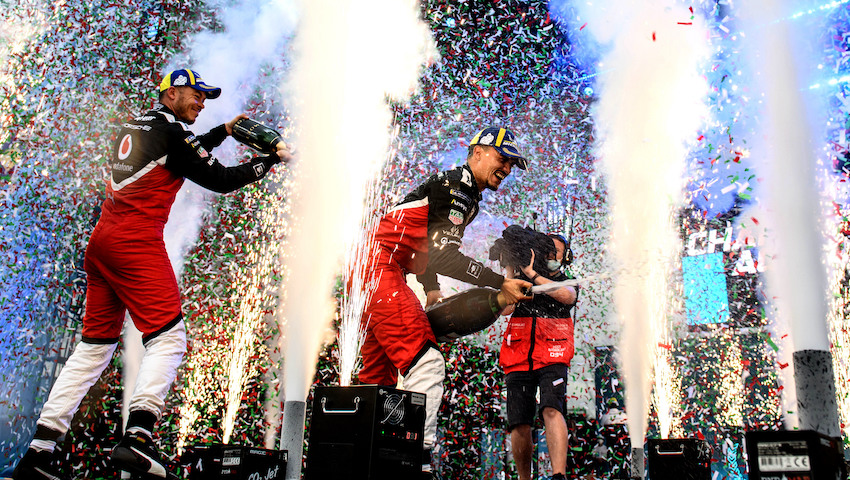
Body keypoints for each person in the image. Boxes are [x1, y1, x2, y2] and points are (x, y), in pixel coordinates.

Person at [12, 69, 292, 480]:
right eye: (196, 95)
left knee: (93, 348)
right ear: (172, 92)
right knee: (168, 338)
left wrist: (223, 131)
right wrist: (268, 161)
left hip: (102, 243)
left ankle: (39, 453)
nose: (201, 102)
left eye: (206, 98)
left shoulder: (136, 123)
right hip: (134, 243)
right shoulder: (173, 136)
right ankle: (138, 438)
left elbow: (182, 151)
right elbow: (221, 179)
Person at [360, 126, 534, 479]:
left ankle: (370, 460)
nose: (507, 169)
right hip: (381, 270)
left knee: (377, 382)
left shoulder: (456, 188)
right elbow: (443, 255)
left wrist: (431, 287)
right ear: (478, 152)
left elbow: (422, 243)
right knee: (427, 364)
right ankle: (414, 463)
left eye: (513, 165)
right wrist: (499, 281)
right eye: (502, 158)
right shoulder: (459, 188)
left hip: (372, 270)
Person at [498, 231, 578, 480]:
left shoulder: (568, 280)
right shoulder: (522, 280)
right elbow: (505, 309)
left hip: (553, 354)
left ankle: (558, 475)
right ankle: (524, 478)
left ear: (566, 258)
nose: (550, 256)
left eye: (557, 253)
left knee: (551, 408)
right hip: (518, 355)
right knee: (519, 420)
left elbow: (567, 296)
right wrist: (512, 269)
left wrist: (533, 275)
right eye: (547, 250)